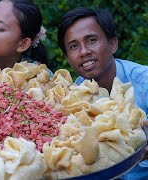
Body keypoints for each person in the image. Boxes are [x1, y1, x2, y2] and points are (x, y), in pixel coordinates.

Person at [57, 7, 148, 179]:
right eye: (74, 46)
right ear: (68, 58)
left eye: (91, 40)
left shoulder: (144, 82)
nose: (84, 51)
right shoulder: (70, 98)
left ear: (113, 44)